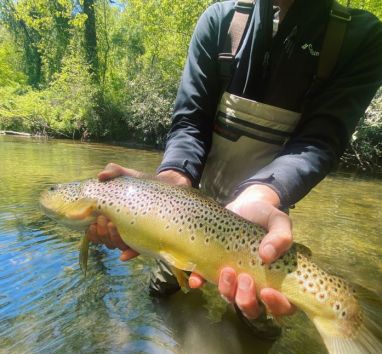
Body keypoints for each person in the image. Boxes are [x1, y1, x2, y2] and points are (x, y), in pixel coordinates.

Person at [88, 0, 382, 336]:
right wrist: (170, 181)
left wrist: (263, 194)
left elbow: (320, 141)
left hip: (261, 217)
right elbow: (190, 123)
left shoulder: (361, 37)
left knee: (256, 322)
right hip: (187, 212)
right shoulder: (220, 22)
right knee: (161, 294)